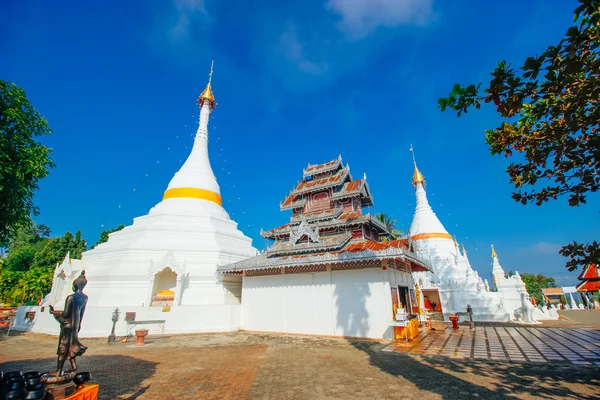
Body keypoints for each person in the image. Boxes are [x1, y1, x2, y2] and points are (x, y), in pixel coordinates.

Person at [48, 271, 88, 376]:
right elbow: (82, 312)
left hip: (67, 324)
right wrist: (79, 324)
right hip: (75, 324)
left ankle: (58, 370)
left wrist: (54, 312)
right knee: (71, 344)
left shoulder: (71, 297)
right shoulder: (85, 297)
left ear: (75, 285)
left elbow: (66, 314)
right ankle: (73, 365)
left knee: (63, 346)